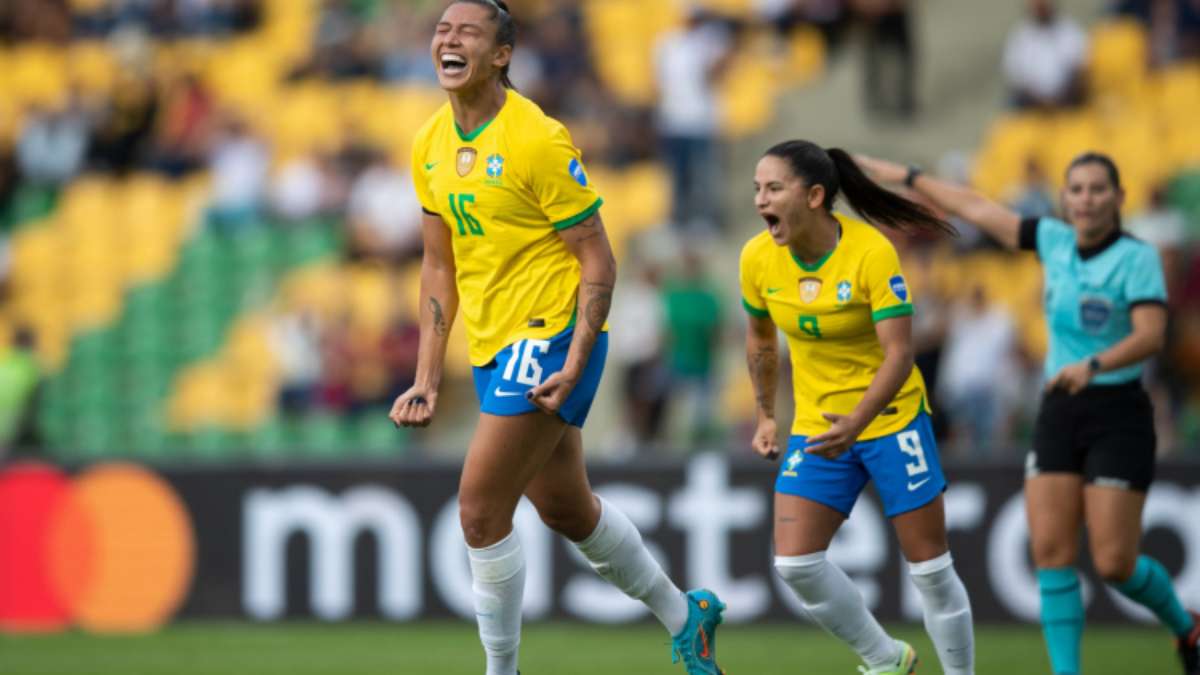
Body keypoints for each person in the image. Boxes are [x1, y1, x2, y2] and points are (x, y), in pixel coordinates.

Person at [388, 3, 725, 674]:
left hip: (550, 334)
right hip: (491, 347)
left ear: (502, 55)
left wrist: (574, 359)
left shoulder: (537, 138)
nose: (448, 41)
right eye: (442, 31)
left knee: (480, 510)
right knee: (569, 509)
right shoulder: (429, 142)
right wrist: (428, 375)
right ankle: (688, 616)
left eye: (467, 33)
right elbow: (437, 264)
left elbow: (598, 258)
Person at [855, 151, 1200, 675]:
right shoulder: (1053, 241)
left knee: (1114, 563)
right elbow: (975, 206)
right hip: (1060, 409)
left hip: (1118, 410)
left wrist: (1095, 364)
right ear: (1065, 198)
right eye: (1077, 189)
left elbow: (1152, 334)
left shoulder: (1137, 257)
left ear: (1119, 198)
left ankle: (1186, 626)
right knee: (1051, 551)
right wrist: (906, 176)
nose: (1086, 199)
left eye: (1097, 189)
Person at [740, 140, 975, 675]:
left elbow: (900, 352)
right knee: (796, 562)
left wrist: (859, 423)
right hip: (818, 427)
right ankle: (886, 659)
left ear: (816, 195)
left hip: (890, 420)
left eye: (774, 187)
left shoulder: (871, 252)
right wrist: (766, 415)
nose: (761, 200)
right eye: (757, 188)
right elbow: (759, 340)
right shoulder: (757, 257)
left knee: (931, 571)